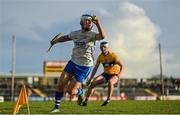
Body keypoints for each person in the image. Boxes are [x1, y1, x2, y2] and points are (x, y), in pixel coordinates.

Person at [49, 14, 106, 113]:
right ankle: (56, 108)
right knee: (60, 85)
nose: (89, 22)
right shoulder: (76, 34)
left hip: (84, 67)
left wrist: (98, 24)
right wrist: (55, 41)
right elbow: (66, 38)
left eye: (90, 21)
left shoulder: (92, 35)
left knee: (71, 92)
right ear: (81, 22)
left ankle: (80, 92)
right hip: (72, 62)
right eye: (86, 20)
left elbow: (102, 36)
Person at [81, 41, 123, 106]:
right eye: (101, 47)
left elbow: (122, 65)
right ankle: (85, 101)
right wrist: (90, 79)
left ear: (107, 48)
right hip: (105, 74)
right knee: (92, 84)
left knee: (110, 82)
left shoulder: (113, 55)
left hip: (115, 74)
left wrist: (120, 74)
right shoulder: (100, 57)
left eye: (104, 47)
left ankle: (108, 99)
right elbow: (95, 69)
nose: (103, 48)